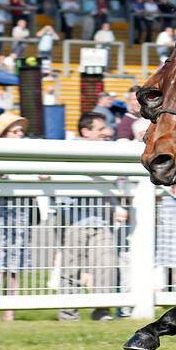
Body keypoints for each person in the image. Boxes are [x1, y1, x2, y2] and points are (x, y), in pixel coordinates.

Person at [58, 112, 125, 321]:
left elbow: (113, 180)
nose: (107, 132)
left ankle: (102, 311)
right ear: (85, 132)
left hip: (100, 218)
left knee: (107, 263)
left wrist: (115, 206)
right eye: (100, 129)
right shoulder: (70, 150)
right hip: (73, 218)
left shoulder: (108, 148)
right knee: (71, 267)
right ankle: (68, 314)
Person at [0, 112, 41, 321]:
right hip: (1, 211)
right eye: (14, 132)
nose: (19, 135)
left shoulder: (28, 152)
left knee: (15, 265)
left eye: (21, 132)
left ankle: (10, 311)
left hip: (22, 211)